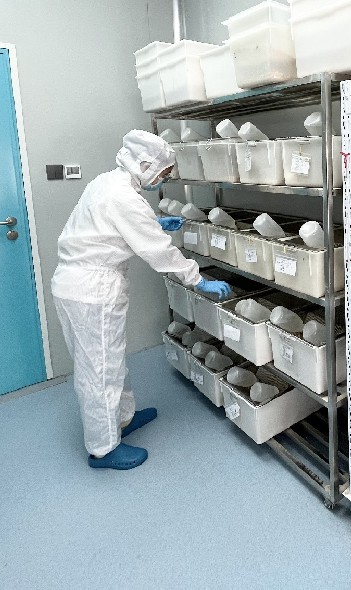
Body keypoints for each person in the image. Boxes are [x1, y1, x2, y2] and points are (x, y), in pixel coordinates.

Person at [51, 130, 230, 470]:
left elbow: (109, 225)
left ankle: (123, 418)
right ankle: (103, 448)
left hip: (78, 284)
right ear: (145, 165)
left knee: (110, 359)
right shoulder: (125, 198)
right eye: (164, 172)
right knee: (99, 370)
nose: (165, 178)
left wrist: (155, 222)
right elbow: (159, 252)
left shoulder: (107, 182)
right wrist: (198, 279)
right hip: (91, 291)